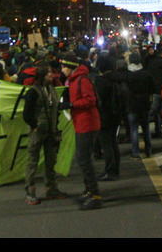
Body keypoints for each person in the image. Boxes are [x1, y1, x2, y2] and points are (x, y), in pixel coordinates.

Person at [59, 52, 103, 210]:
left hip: (88, 124)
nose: (62, 69)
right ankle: (89, 191)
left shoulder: (82, 80)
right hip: (81, 123)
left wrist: (72, 105)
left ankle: (95, 194)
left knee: (84, 159)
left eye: (64, 66)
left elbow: (90, 100)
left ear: (71, 67)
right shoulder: (73, 80)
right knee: (83, 159)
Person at [22, 61, 67, 205]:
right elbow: (26, 113)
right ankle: (30, 192)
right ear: (42, 75)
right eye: (48, 73)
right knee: (32, 162)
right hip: (38, 132)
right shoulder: (33, 91)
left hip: (50, 131)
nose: (51, 75)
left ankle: (51, 189)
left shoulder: (52, 89)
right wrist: (35, 127)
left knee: (50, 161)